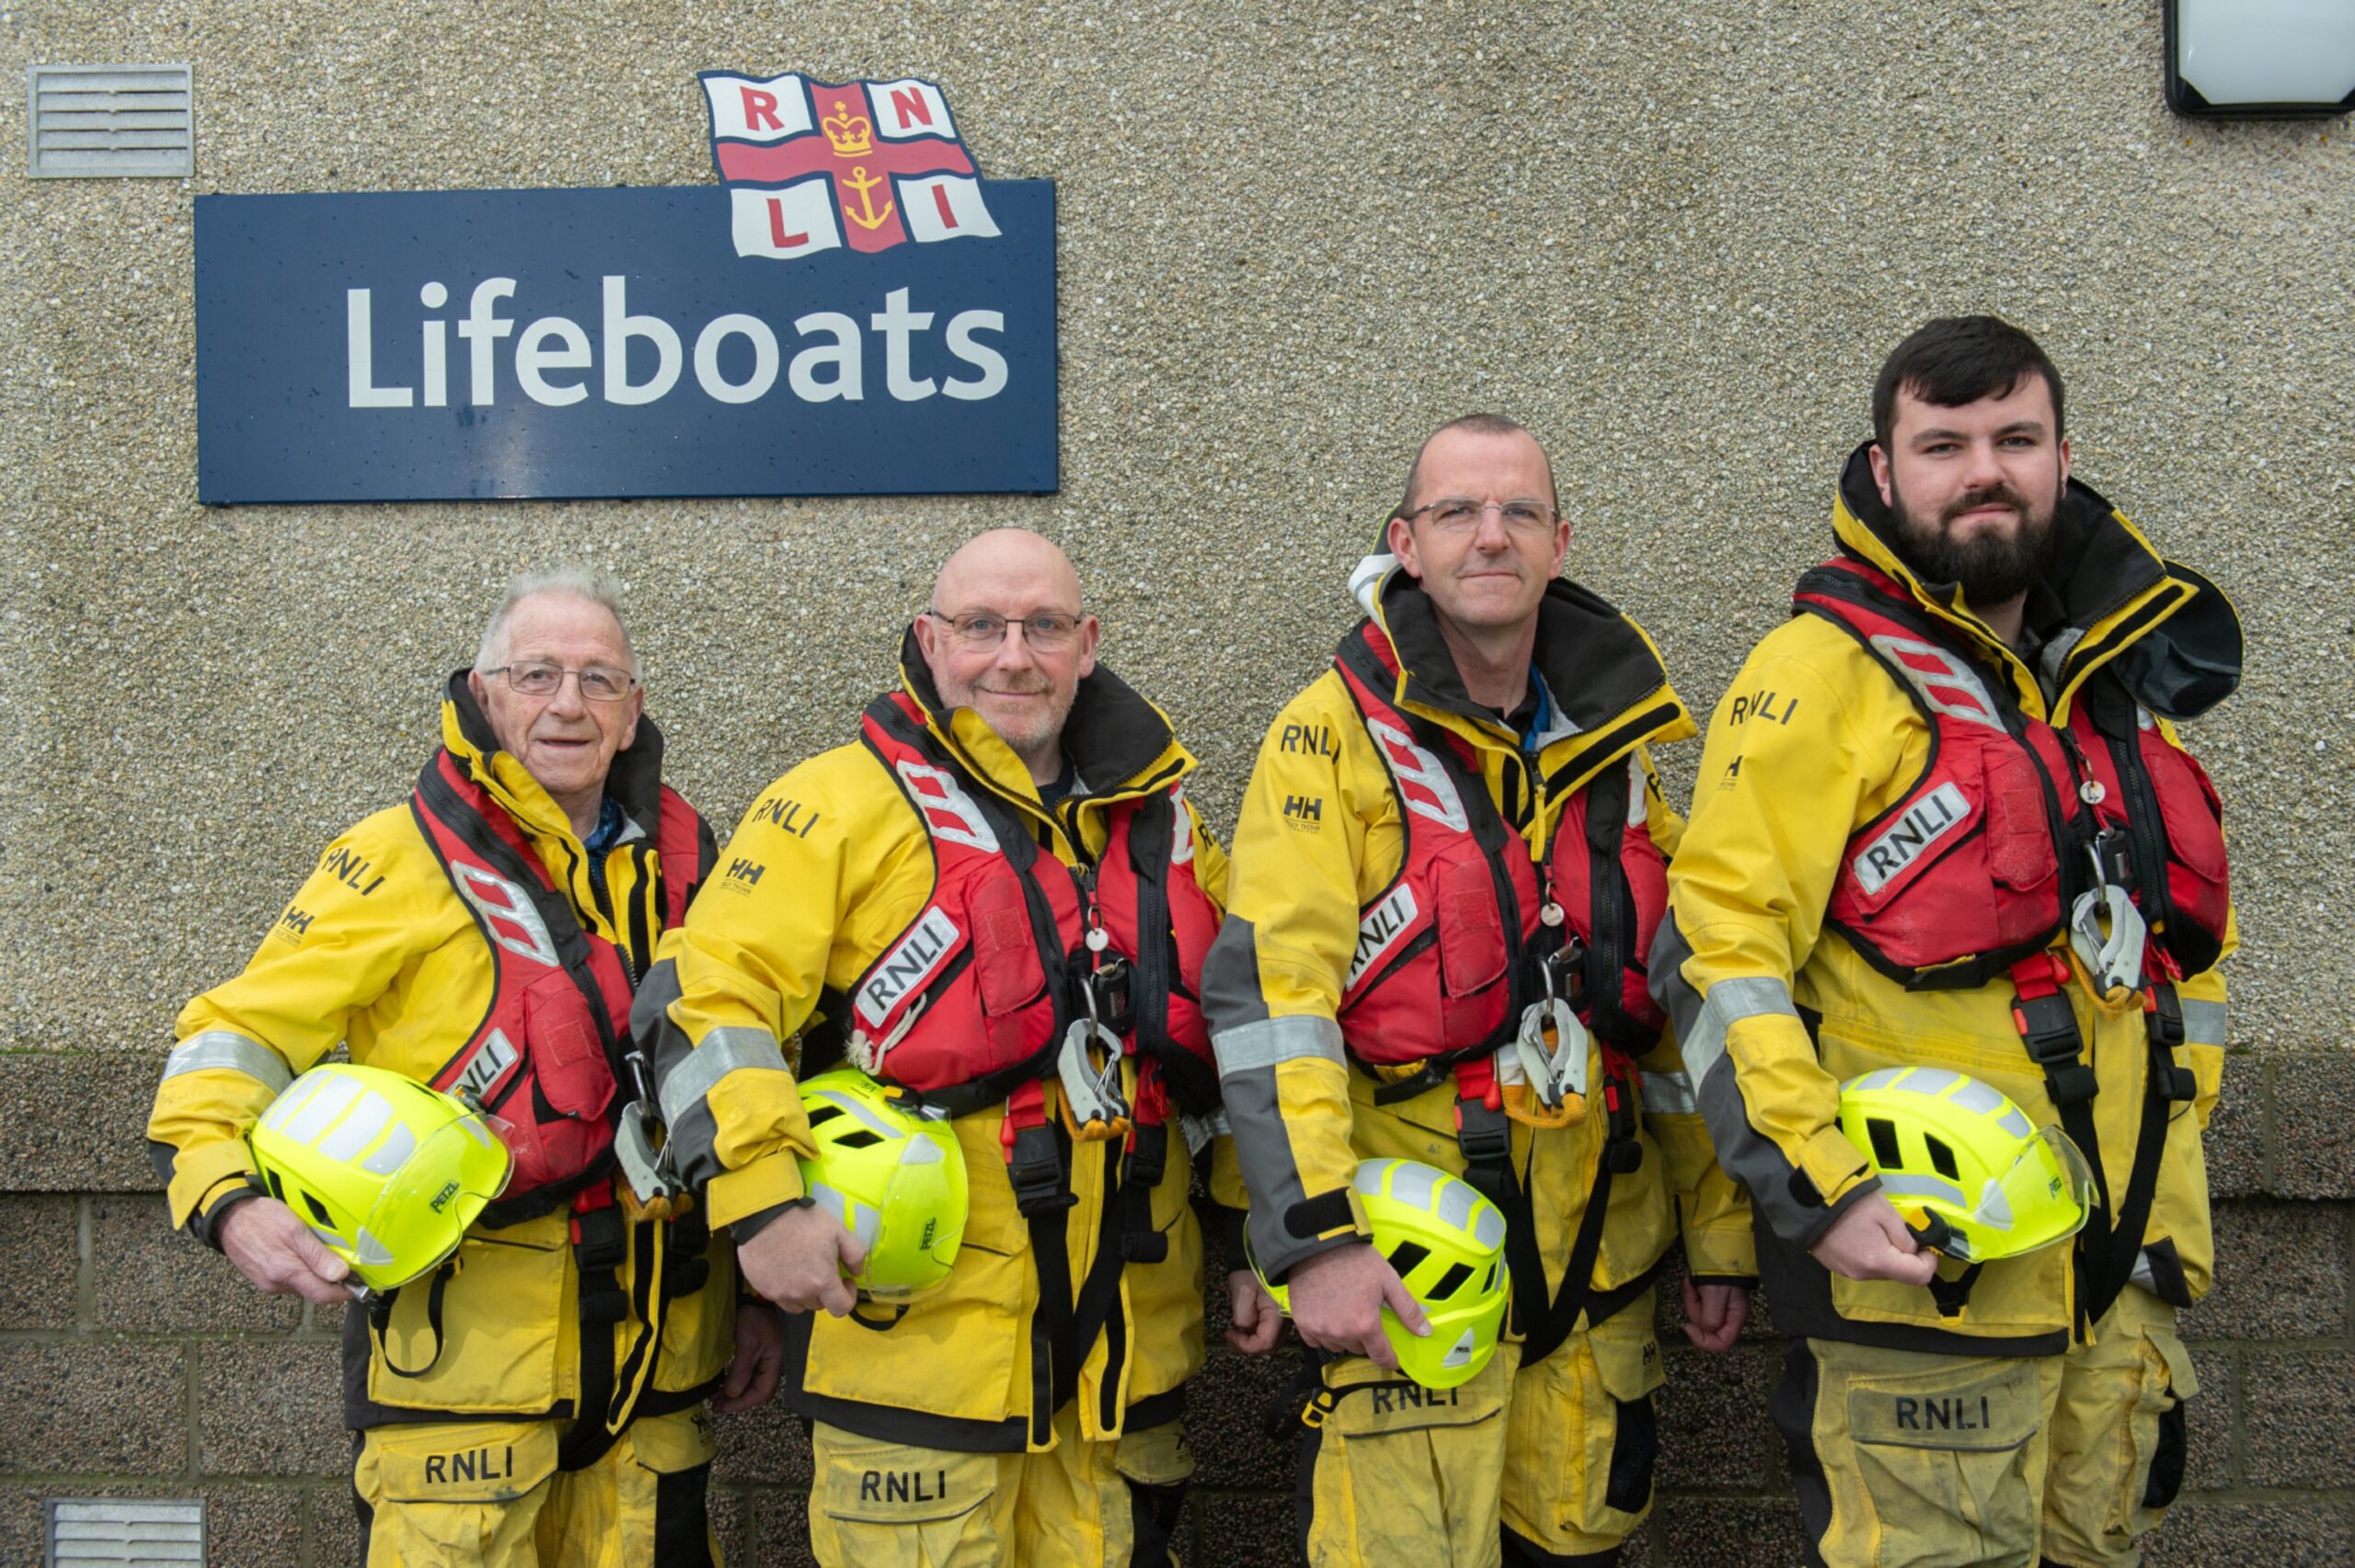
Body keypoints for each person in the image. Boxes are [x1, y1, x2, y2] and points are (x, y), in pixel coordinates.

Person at [1652, 315, 2238, 1568]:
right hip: (1927, 1272)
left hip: (2121, 1283)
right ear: (1883, 471)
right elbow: (1715, 955)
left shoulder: (2112, 692)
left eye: (2016, 438)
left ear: (2063, 459)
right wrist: (1818, 1189)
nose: (1985, 469)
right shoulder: (1818, 674)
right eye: (1945, 443)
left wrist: (2170, 1157)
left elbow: (2188, 965)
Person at [1206, 413, 1755, 1567]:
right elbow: (1271, 1010)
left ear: (1563, 542)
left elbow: (1674, 1017)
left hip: (1600, 1260)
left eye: (1517, 512)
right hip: (1411, 1265)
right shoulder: (1326, 740)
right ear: (1406, 543)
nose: (1488, 536)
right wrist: (1308, 1244)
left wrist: (1721, 1234)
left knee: (1581, 1544)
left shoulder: (1621, 741)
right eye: (1457, 511)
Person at [635, 528, 1239, 1567]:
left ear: (1087, 644)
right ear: (928, 639)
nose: (1013, 654)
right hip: (913, 1357)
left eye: (1043, 626)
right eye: (980, 626)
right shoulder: (831, 804)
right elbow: (700, 1001)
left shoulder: (1163, 823)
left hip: (1123, 1367)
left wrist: (1268, 1238)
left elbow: (1235, 1045)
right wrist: (762, 1206)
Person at [146, 569, 774, 1567]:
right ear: (483, 696)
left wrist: (755, 1294)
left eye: (597, 679)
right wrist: (225, 1198)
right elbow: (238, 1033)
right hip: (461, 1389)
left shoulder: (694, 863)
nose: (567, 703)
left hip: (659, 1381)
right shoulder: (394, 858)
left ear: (632, 711)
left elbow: (741, 1077)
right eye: (536, 674)